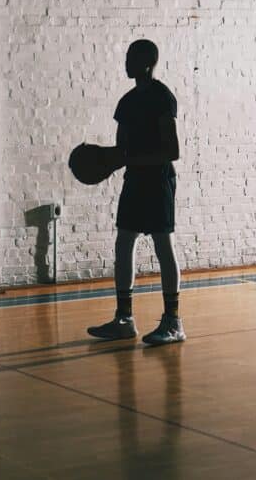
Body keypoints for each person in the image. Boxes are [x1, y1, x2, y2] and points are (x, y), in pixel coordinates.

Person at [87, 39, 186, 345]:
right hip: (135, 181)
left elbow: (172, 150)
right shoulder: (126, 102)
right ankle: (124, 319)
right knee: (123, 244)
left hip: (158, 180)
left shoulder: (161, 97)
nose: (125, 62)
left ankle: (173, 322)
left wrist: (131, 160)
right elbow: (122, 149)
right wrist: (103, 160)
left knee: (163, 246)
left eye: (130, 57)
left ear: (147, 62)